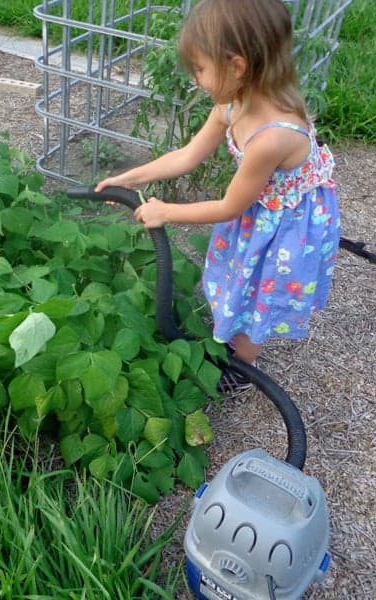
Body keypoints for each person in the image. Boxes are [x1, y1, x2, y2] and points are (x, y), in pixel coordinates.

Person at [95, 0, 341, 396]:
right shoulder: (234, 102)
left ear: (237, 66)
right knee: (238, 274)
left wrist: (165, 211)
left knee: (260, 287)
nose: (195, 79)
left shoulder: (272, 136)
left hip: (286, 222)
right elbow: (188, 156)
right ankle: (232, 334)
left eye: (199, 69)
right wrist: (128, 177)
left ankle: (244, 365)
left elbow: (229, 206)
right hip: (260, 208)